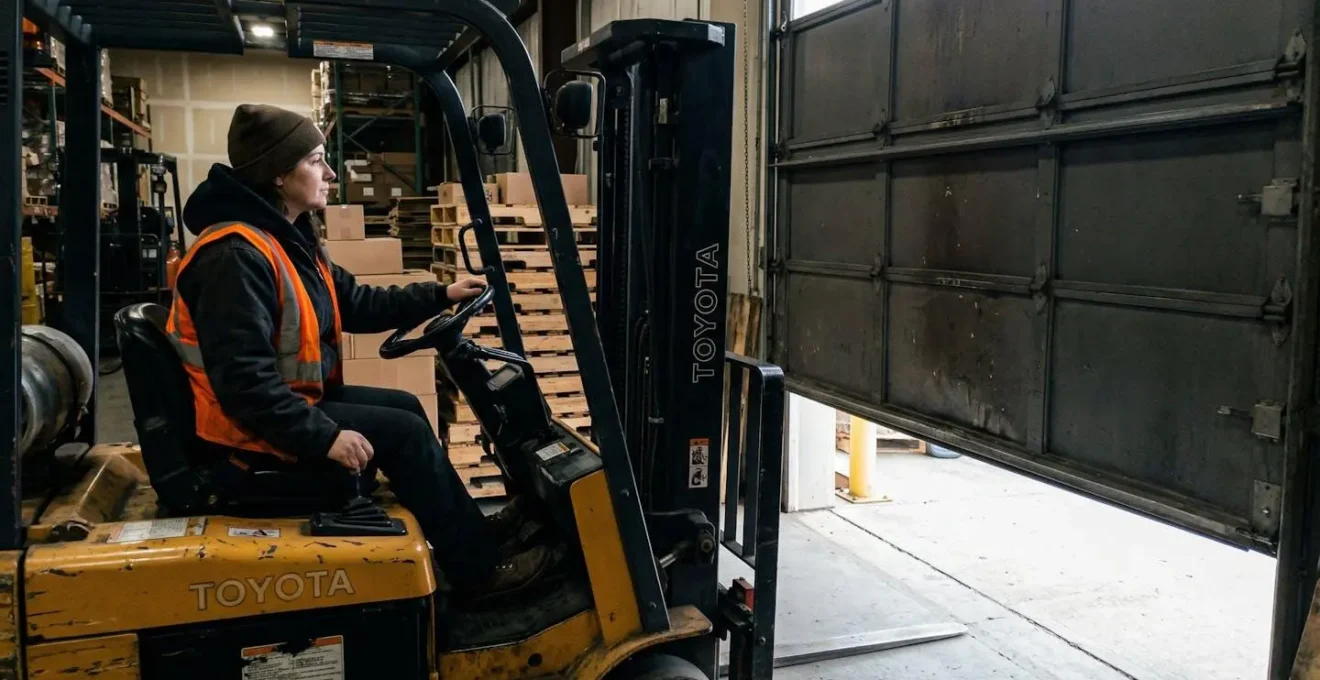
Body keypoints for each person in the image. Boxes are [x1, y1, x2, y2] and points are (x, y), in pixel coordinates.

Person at [166, 103, 547, 599]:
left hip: (282, 410)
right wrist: (325, 437)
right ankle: (480, 574)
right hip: (245, 438)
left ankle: (472, 534)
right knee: (406, 432)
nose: (328, 173)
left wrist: (439, 294)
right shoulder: (236, 258)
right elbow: (245, 385)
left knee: (406, 407)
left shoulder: (287, 238)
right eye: (316, 161)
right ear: (279, 173)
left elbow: (357, 302)